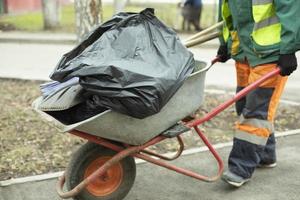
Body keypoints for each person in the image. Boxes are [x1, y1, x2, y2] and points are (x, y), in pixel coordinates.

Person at [217, 0, 299, 187]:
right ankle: (265, 155)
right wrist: (225, 42)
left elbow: (291, 7)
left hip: (271, 54)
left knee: (255, 113)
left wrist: (289, 49)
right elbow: (226, 9)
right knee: (244, 105)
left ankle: (240, 167)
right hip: (244, 51)